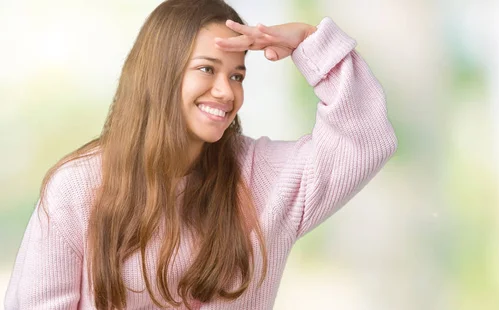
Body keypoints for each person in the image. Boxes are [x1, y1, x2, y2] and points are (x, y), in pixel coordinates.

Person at [4, 0, 397, 309]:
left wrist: (311, 42)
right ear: (161, 73)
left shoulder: (264, 178)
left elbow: (365, 140)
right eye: (207, 69)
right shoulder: (79, 186)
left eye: (237, 75)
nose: (227, 92)